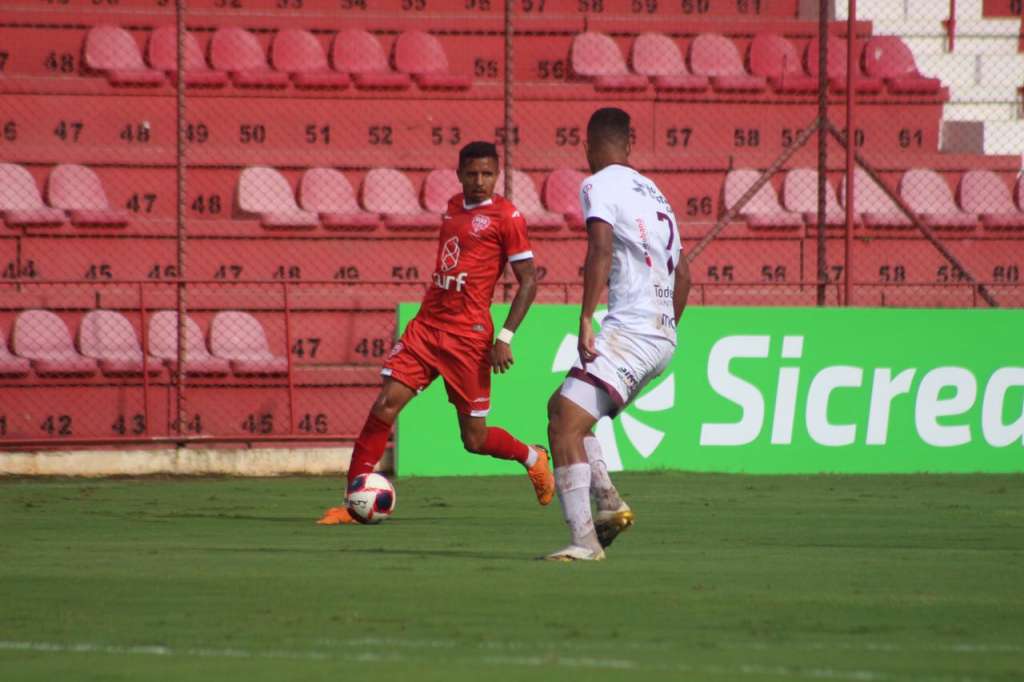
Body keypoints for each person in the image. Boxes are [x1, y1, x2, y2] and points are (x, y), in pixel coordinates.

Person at [318, 141, 554, 525]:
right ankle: (352, 501)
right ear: (459, 174)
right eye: (472, 174)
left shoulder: (508, 217)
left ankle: (533, 457)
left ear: (497, 175)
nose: (480, 181)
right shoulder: (452, 206)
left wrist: (505, 337)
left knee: (474, 440)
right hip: (428, 327)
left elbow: (528, 281)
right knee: (384, 407)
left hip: (469, 338)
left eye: (487, 174)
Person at [543, 108, 691, 561]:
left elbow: (600, 247)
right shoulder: (656, 195)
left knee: (565, 423)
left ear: (586, 147)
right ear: (630, 143)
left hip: (632, 329)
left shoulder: (598, 184)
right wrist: (663, 331)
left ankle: (584, 541)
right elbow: (684, 274)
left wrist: (586, 316)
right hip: (660, 332)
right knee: (562, 408)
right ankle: (608, 502)